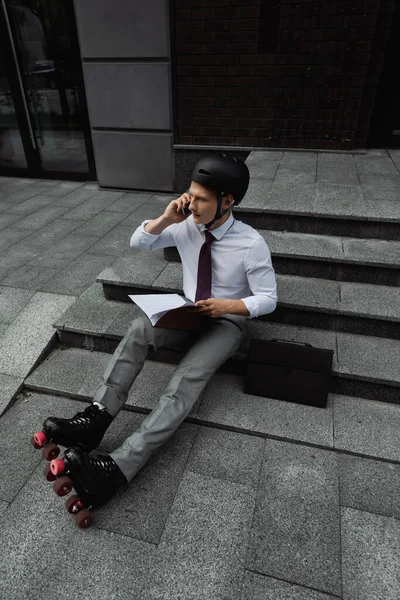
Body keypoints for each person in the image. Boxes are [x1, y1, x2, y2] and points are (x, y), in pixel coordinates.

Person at [36, 153, 277, 511]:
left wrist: (228, 306)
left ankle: (118, 466)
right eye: (190, 194)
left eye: (202, 199)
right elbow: (139, 242)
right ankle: (96, 418)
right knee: (138, 329)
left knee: (185, 380)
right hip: (188, 311)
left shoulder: (251, 243)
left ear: (227, 202)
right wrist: (167, 217)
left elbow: (269, 299)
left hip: (226, 321)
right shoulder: (186, 223)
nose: (192, 204)